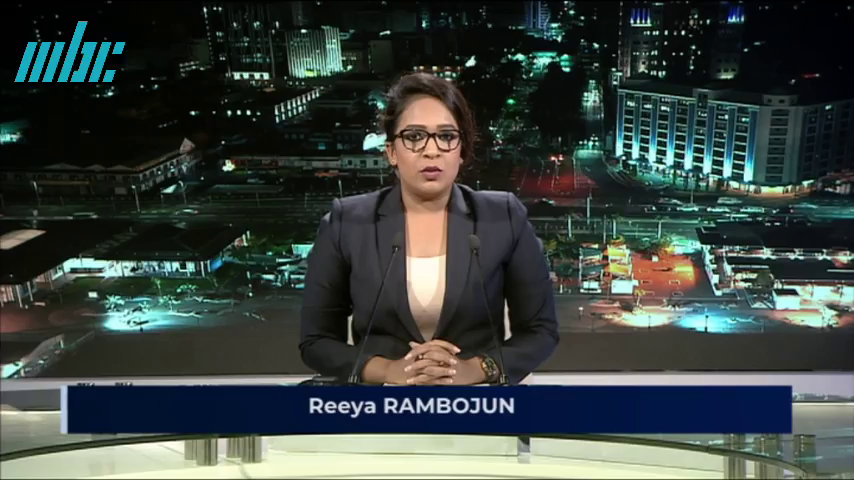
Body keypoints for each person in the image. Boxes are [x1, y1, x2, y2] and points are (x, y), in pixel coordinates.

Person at [299, 72, 559, 385]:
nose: (431, 150)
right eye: (414, 136)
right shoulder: (347, 222)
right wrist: (388, 370)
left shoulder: (503, 216)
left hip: (479, 402)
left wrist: (475, 369)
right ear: (391, 151)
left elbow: (540, 331)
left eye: (446, 136)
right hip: (380, 403)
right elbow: (316, 341)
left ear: (461, 150)